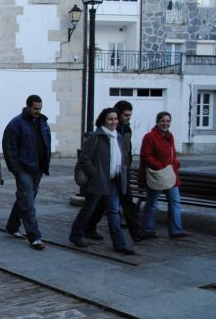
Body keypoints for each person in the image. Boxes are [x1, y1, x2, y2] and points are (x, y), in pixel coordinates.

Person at [69, 108, 134, 255]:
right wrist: (96, 174)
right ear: (104, 120)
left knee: (113, 211)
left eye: (116, 119)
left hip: (113, 180)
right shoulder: (95, 136)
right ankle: (76, 234)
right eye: (110, 119)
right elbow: (84, 158)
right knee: (89, 209)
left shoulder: (117, 136)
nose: (113, 122)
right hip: (98, 181)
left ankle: (119, 243)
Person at [84, 100, 144, 242]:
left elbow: (126, 150)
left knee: (125, 201)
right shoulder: (104, 132)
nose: (127, 118)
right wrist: (95, 173)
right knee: (99, 204)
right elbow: (86, 157)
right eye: (125, 115)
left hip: (121, 171)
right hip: (105, 173)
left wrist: (126, 165)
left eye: (129, 115)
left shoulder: (125, 130)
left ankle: (134, 233)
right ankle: (86, 228)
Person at [2, 94, 51, 250]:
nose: (38, 111)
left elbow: (46, 142)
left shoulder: (43, 122)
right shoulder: (16, 124)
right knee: (28, 202)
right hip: (23, 168)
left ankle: (12, 225)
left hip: (38, 168)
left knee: (25, 198)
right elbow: (9, 148)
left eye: (40, 108)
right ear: (28, 106)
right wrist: (15, 169)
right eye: (35, 108)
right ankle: (34, 236)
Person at [138, 111, 191, 239]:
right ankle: (147, 229)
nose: (165, 123)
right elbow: (146, 156)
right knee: (152, 203)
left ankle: (176, 230)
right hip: (157, 174)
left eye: (168, 121)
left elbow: (172, 153)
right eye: (163, 121)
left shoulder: (170, 135)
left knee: (175, 201)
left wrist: (175, 164)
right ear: (157, 122)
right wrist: (160, 166)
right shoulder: (149, 137)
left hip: (170, 174)